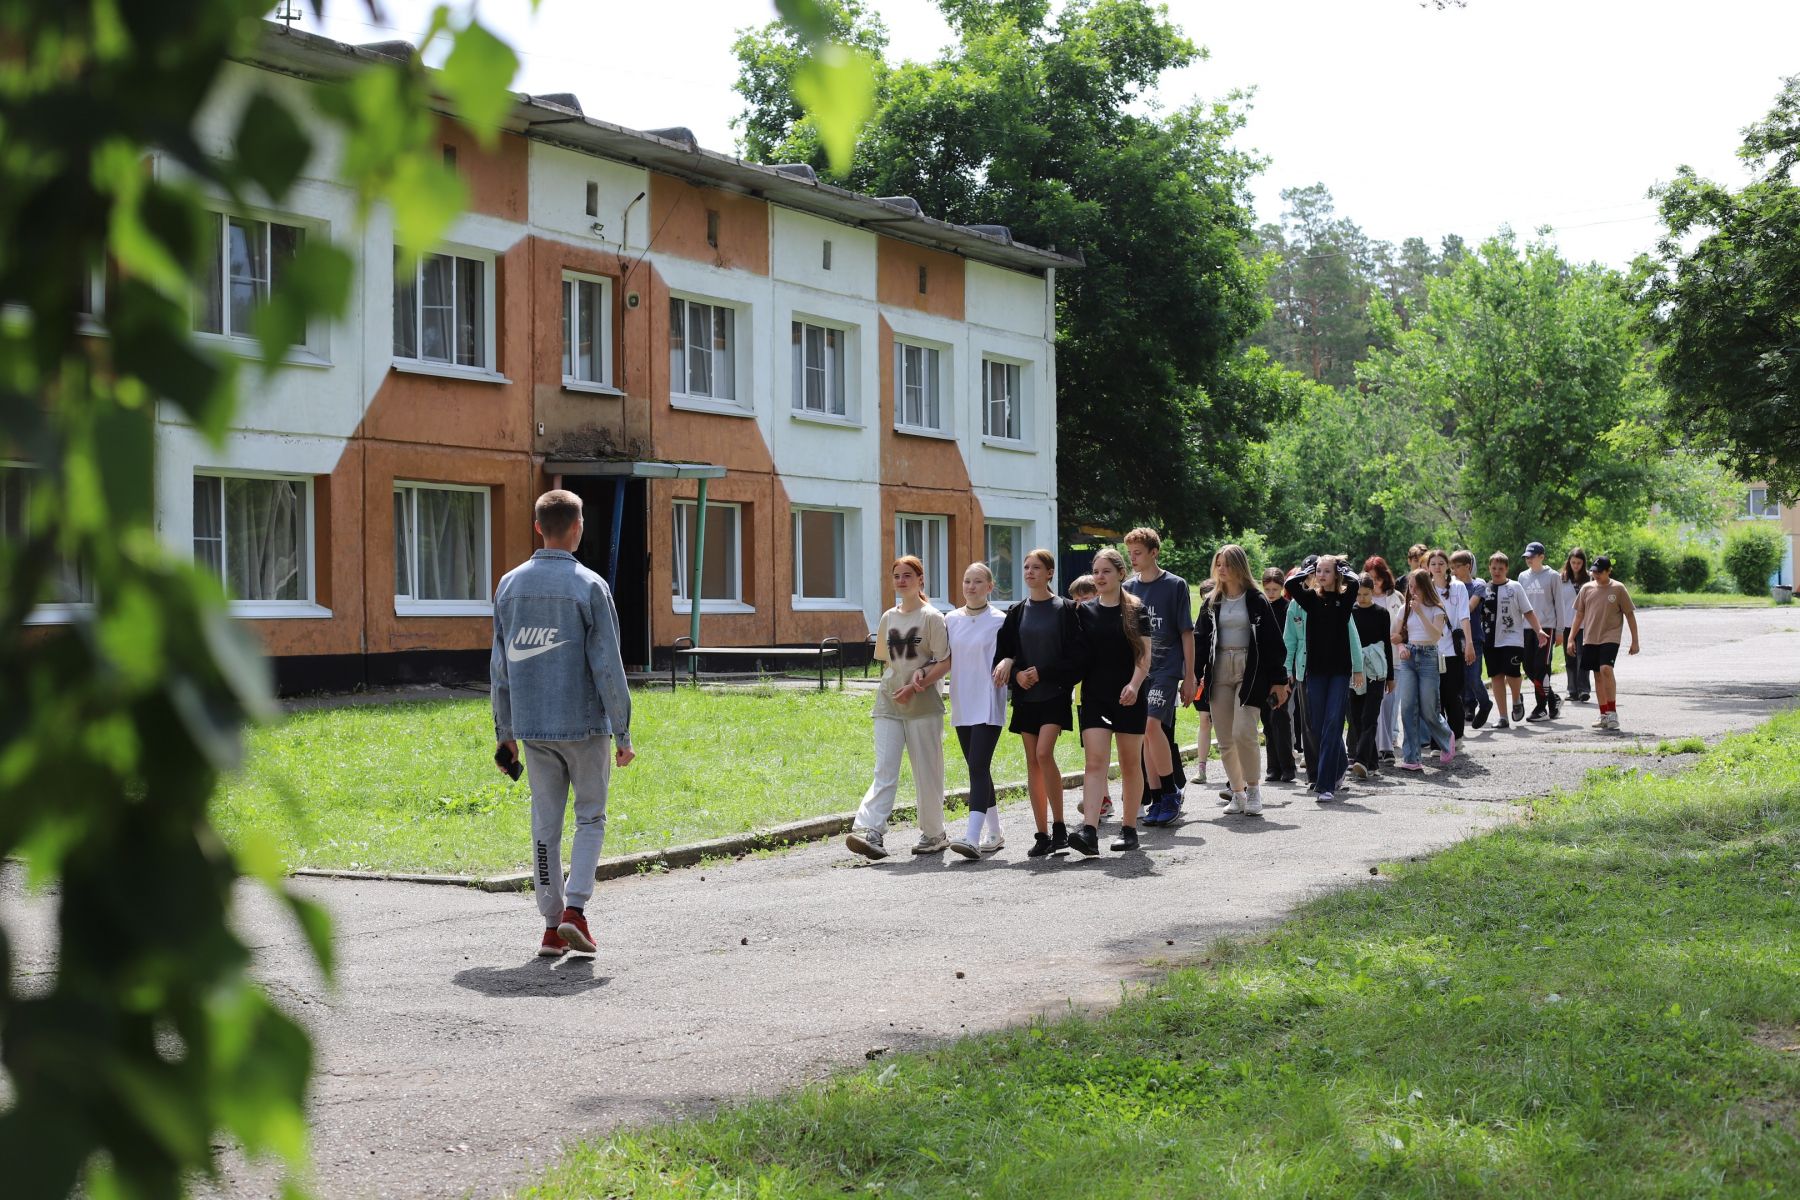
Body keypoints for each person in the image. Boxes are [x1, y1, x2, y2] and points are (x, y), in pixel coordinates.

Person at [490, 489, 636, 959]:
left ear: (538, 527)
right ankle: (576, 910)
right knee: (590, 817)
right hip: (584, 726)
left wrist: (504, 734)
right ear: (577, 528)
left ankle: (551, 927)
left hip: (532, 728)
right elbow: (607, 665)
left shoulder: (509, 586)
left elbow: (500, 667)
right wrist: (623, 731)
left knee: (544, 824)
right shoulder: (590, 586)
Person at [846, 557, 951, 861]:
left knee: (927, 772)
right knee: (884, 769)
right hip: (888, 703)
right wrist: (898, 688)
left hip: (923, 705)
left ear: (921, 579)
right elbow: (888, 663)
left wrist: (919, 681)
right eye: (896, 576)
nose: (901, 581)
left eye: (908, 575)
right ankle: (872, 832)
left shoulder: (932, 617)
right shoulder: (888, 617)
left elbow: (945, 661)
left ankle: (934, 834)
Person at [994, 548, 1086, 857]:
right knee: (1032, 761)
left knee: (1044, 754)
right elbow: (1003, 655)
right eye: (1026, 567)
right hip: (1025, 696)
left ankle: (1060, 826)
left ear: (1050, 573)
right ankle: (1042, 833)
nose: (1030, 572)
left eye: (1036, 567)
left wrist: (1043, 672)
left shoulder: (1067, 608)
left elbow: (1076, 659)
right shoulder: (1016, 611)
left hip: (1055, 692)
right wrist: (1016, 674)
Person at [1066, 548, 1151, 855]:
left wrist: (1134, 684)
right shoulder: (1084, 611)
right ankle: (1089, 831)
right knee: (1094, 762)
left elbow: (1144, 656)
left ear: (1120, 574)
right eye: (1096, 572)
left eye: (1106, 572)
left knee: (1130, 764)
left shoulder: (1136, 609)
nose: (1099, 577)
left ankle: (1129, 829)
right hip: (1095, 697)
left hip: (1129, 696)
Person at [1196, 545, 1289, 815]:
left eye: (1226, 564)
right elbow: (1200, 641)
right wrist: (1192, 676)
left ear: (1238, 566)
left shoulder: (1256, 599)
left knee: (1243, 731)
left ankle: (1253, 789)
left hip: (1251, 671)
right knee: (1225, 737)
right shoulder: (1212, 601)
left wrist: (1279, 680)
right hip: (1219, 670)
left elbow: (1273, 643)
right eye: (1218, 564)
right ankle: (1237, 794)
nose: (1221, 569)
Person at [1122, 528, 1196, 827]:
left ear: (1154, 552)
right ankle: (1155, 797)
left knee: (1153, 726)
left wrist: (1189, 677)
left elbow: (1186, 634)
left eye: (1138, 553)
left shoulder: (1175, 585)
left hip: (1166, 668)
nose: (1133, 559)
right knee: (1145, 735)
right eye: (1130, 555)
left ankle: (1170, 791)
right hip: (1140, 671)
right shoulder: (1128, 588)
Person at [1284, 555, 1367, 803]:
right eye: (1318, 571)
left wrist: (1344, 568)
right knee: (1316, 726)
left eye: (1326, 571)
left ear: (1336, 574)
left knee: (1333, 724)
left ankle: (1325, 784)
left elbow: (1355, 582)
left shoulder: (1344, 599)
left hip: (1339, 673)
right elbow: (1290, 586)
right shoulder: (1310, 600)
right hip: (1315, 672)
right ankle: (1339, 765)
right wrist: (1307, 569)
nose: (1321, 575)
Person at [944, 563, 1009, 859]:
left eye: (978, 581)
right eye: (967, 581)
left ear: (989, 587)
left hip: (987, 701)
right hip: (962, 700)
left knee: (977, 767)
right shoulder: (951, 619)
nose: (971, 586)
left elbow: (1013, 651)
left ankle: (972, 836)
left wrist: (1008, 661)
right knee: (977, 766)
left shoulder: (1000, 620)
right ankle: (994, 833)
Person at [1393, 569, 1458, 770]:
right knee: (1408, 707)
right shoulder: (1404, 609)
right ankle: (1412, 757)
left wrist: (1420, 612)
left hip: (1429, 656)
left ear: (1425, 587)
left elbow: (1435, 636)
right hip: (1409, 658)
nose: (1412, 591)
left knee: (1429, 708)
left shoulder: (1436, 609)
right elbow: (1395, 634)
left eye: (1416, 587)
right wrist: (1401, 647)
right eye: (1410, 587)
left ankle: (1447, 738)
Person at [1568, 554, 1640, 731]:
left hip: (1610, 636)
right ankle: (1604, 714)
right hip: (1591, 637)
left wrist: (1635, 641)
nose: (1596, 575)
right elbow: (1579, 615)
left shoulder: (1618, 588)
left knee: (1606, 669)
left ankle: (1613, 713)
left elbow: (1629, 614)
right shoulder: (1587, 588)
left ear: (1609, 571)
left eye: (1600, 572)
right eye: (1593, 572)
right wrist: (1571, 638)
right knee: (1597, 676)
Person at [1482, 551, 1551, 729]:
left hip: (1512, 638)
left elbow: (1528, 611)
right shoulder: (1484, 589)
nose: (1497, 571)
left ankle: (1516, 699)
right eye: (1494, 568)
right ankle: (1503, 716)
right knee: (1496, 676)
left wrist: (1539, 630)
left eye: (1501, 568)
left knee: (1512, 673)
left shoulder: (1515, 587)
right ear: (1489, 568)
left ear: (1507, 569)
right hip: (1490, 640)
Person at [1424, 548, 1476, 742]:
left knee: (1451, 695)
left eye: (1441, 563)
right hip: (1429, 650)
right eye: (1433, 564)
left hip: (1452, 650)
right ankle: (1439, 739)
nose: (1437, 567)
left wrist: (1469, 643)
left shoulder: (1458, 587)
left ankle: (1457, 736)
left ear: (1448, 566)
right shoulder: (1425, 589)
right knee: (1433, 698)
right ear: (1428, 567)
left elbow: (1464, 616)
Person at [1347, 573, 1395, 779]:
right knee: (1356, 717)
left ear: (1373, 591)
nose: (1362, 598)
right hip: (1355, 669)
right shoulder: (1350, 612)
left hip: (1377, 669)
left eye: (1366, 594)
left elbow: (1387, 645)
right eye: (1358, 594)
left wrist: (1391, 676)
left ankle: (1360, 760)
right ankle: (1371, 763)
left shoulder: (1382, 613)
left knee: (1370, 715)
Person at [1517, 541, 1564, 722]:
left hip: (1546, 627)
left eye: (1532, 556)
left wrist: (1559, 631)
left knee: (1541, 667)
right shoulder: (1522, 577)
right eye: (1527, 557)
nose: (1529, 559)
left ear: (1541, 557)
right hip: (1526, 628)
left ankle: (1541, 708)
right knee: (1528, 667)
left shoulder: (1552, 576)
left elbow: (1559, 604)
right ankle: (1553, 699)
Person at [1259, 567, 1297, 785]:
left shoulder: (1287, 608)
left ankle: (1287, 766)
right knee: (1267, 719)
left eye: (1275, 589)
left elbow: (1291, 642)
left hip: (1283, 672)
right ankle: (1272, 766)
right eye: (1267, 589)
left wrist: (1288, 672)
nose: (1271, 593)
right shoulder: (1261, 607)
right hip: (1263, 672)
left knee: (1280, 717)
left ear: (1282, 588)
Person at [1364, 555, 1403, 762]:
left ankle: (1388, 741)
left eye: (1378, 578)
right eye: (1371, 578)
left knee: (1390, 703)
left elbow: (1404, 624)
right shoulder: (1361, 597)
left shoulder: (1396, 597)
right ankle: (1383, 746)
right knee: (1375, 703)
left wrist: (1400, 638)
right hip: (1369, 660)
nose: (1375, 582)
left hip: (1393, 656)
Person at [1451, 550, 1491, 727]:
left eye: (1457, 567)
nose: (1453, 571)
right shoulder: (1450, 587)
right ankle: (1461, 712)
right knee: (1459, 679)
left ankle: (1485, 703)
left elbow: (1467, 608)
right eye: (1451, 568)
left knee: (1474, 677)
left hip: (1474, 638)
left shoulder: (1478, 586)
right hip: (1454, 638)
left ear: (1468, 567)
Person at [1560, 547, 1593, 702]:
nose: (1576, 566)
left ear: (1583, 563)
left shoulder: (1590, 579)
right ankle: (1571, 690)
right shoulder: (1562, 579)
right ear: (1569, 562)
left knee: (1583, 657)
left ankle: (1583, 689)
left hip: (1585, 625)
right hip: (1567, 623)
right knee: (1570, 658)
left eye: (1579, 563)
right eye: (1573, 562)